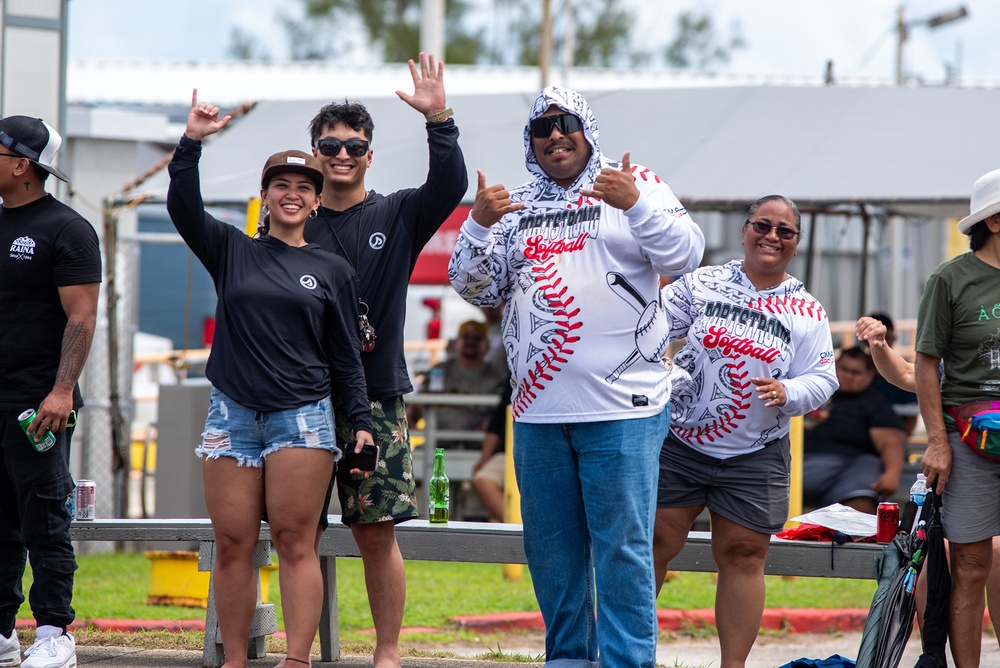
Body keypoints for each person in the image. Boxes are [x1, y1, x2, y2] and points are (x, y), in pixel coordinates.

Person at [450, 86, 705, 667]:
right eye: (542, 129)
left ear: (587, 129)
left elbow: (686, 256)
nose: (555, 135)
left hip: (625, 408)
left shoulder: (633, 182)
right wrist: (479, 225)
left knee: (622, 550)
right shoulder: (513, 206)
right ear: (530, 143)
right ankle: (567, 658)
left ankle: (625, 662)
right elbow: (474, 288)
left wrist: (636, 204)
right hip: (540, 411)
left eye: (567, 123)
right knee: (553, 552)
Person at [167, 91, 373, 668]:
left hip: (302, 418)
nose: (293, 193)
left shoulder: (332, 269)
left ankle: (297, 661)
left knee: (293, 542)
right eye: (281, 184)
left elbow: (346, 357)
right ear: (264, 196)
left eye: (304, 186)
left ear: (315, 200)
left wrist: (360, 422)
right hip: (232, 415)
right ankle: (235, 660)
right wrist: (191, 144)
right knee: (233, 546)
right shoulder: (232, 249)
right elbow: (184, 207)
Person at [303, 52, 467, 667]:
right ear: (314, 152)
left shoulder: (396, 213)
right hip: (300, 401)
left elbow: (449, 186)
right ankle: (304, 649)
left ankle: (388, 652)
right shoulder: (292, 221)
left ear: (370, 154)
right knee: (301, 534)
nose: (341, 154)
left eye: (354, 146)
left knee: (376, 533)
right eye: (330, 144)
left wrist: (439, 119)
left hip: (374, 396)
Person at [653, 195, 838, 668]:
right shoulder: (702, 283)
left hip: (756, 452)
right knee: (652, 542)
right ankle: (624, 653)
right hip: (679, 441)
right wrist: (668, 374)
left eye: (785, 231)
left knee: (743, 554)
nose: (771, 236)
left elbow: (823, 378)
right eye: (763, 225)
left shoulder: (806, 310)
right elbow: (646, 326)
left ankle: (732, 666)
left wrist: (788, 391)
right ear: (744, 230)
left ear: (796, 243)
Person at [0, 115, 100, 668]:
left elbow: (81, 316)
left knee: (43, 516)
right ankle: (3, 631)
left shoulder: (67, 229)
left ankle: (55, 632)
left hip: (38, 405)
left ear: (22, 164)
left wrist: (62, 390)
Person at [910, 167, 1000, 667]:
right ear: (995, 220)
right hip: (969, 442)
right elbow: (925, 363)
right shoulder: (951, 279)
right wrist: (938, 442)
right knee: (968, 564)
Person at [801, 346, 906, 514]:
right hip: (802, 464)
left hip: (851, 468)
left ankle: (855, 537)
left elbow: (892, 440)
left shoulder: (875, 402)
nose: (848, 376)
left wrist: (892, 474)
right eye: (844, 369)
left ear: (869, 375)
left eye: (856, 373)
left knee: (863, 492)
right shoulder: (815, 391)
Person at [407, 319, 508, 450]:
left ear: (487, 344)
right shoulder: (439, 370)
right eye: (465, 337)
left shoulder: (496, 378)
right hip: (435, 445)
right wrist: (409, 416)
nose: (470, 342)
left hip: (477, 448)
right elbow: (417, 407)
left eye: (477, 338)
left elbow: (500, 415)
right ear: (455, 343)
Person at [860, 311, 919, 435]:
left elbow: (911, 419)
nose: (879, 344)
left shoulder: (906, 371)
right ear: (863, 339)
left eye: (885, 339)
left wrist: (897, 440)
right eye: (874, 339)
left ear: (894, 338)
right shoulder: (856, 368)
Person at [472, 389, 512, 522]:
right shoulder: (514, 375)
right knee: (484, 479)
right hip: (509, 452)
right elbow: (496, 423)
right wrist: (485, 457)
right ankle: (517, 529)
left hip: (549, 452)